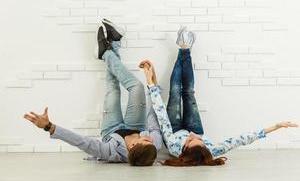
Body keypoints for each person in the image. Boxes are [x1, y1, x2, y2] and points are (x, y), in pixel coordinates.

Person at [139, 27, 299, 166]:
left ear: (184, 148)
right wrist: (276, 126)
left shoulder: (174, 146)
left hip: (173, 130)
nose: (192, 137)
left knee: (175, 91)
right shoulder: (212, 150)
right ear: (205, 147)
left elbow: (162, 118)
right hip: (194, 126)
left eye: (190, 140)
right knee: (188, 92)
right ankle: (185, 48)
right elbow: (242, 139)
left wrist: (150, 83)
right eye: (200, 140)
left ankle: (183, 48)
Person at [24, 19, 162, 166]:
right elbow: (154, 119)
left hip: (112, 129)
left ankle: (108, 49)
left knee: (113, 90)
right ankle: (111, 47)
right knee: (138, 87)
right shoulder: (154, 145)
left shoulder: (109, 151)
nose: (150, 139)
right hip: (137, 125)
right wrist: (153, 85)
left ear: (133, 146)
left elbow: (83, 142)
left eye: (146, 141)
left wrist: (49, 127)